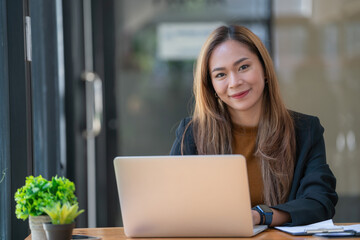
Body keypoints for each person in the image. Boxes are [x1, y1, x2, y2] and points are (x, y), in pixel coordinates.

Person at [170, 25, 338, 227]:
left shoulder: (305, 130)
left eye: (243, 67)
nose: (234, 82)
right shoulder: (192, 133)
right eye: (220, 75)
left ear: (265, 70)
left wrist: (259, 216)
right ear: (211, 86)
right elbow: (172, 203)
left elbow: (320, 202)